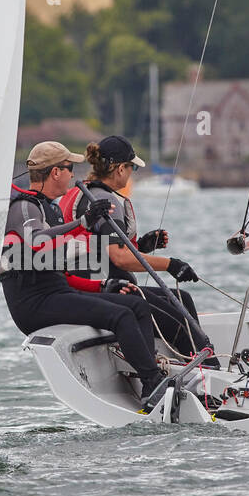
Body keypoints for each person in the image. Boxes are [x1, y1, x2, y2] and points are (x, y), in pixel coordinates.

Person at [0, 141, 169, 409]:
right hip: (33, 304)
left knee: (136, 303)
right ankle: (153, 383)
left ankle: (148, 377)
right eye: (70, 168)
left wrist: (103, 285)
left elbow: (60, 270)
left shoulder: (51, 209)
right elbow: (36, 242)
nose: (73, 174)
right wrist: (82, 222)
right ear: (55, 172)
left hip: (55, 293)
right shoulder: (24, 208)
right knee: (121, 315)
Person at [61, 135, 214, 359]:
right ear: (120, 169)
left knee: (184, 299)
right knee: (180, 322)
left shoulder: (82, 192)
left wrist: (142, 245)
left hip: (92, 281)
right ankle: (207, 369)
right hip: (105, 287)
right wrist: (172, 265)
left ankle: (193, 362)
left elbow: (100, 246)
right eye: (131, 166)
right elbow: (119, 258)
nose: (133, 172)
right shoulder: (106, 201)